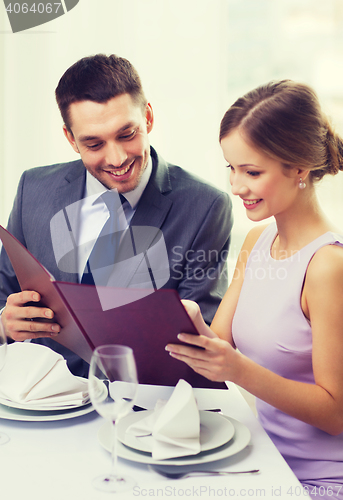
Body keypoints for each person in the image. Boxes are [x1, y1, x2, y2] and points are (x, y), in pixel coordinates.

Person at [0, 54, 233, 377]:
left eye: (127, 134)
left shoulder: (206, 207)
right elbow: (3, 290)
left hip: (143, 410)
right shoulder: (33, 189)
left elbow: (201, 336)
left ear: (148, 118)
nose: (117, 158)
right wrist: (4, 323)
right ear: (70, 139)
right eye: (94, 144)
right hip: (38, 403)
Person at [166, 80, 343, 499]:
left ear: (299, 168)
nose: (235, 185)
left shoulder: (328, 267)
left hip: (316, 479)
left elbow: (336, 412)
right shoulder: (256, 241)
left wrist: (239, 371)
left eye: (252, 171)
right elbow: (219, 343)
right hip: (257, 458)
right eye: (231, 167)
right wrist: (181, 320)